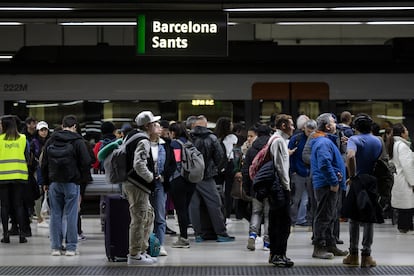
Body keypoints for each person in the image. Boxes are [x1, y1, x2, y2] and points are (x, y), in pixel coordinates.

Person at [41, 115, 92, 256]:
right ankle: (71, 247)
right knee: (71, 215)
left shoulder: (51, 140)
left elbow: (44, 163)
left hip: (54, 183)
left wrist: (45, 182)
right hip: (72, 183)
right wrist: (81, 180)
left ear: (62, 125)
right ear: (75, 126)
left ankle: (56, 247)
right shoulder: (78, 141)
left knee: (55, 214)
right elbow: (86, 162)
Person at [342, 113, 382, 268]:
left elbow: (351, 156)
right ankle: (367, 256)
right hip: (371, 181)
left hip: (358, 181)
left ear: (355, 127)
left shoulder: (354, 139)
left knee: (354, 218)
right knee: (369, 219)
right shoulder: (378, 141)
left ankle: (353, 255)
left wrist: (352, 176)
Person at [122, 111, 160, 265]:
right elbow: (138, 164)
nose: (156, 126)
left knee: (148, 215)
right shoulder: (143, 140)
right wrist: (151, 178)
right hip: (137, 184)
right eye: (154, 124)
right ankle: (135, 254)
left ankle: (142, 251)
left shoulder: (131, 135)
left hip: (133, 184)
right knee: (139, 218)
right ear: (147, 125)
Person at [189, 115, 235, 242]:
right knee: (215, 203)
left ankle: (198, 234)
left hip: (191, 176)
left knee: (194, 205)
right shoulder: (212, 138)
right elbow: (220, 157)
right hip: (206, 176)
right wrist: (215, 169)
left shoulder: (189, 138)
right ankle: (221, 233)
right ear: (205, 125)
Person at [310, 113, 348, 259]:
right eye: (333, 122)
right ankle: (319, 248)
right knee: (324, 217)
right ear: (327, 126)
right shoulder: (323, 142)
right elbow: (324, 164)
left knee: (330, 216)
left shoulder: (324, 141)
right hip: (327, 185)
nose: (335, 124)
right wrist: (333, 181)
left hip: (329, 183)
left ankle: (330, 245)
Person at [267, 114, 295, 267]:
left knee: (276, 221)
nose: (293, 127)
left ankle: (275, 254)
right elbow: (281, 167)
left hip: (275, 187)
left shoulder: (276, 139)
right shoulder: (279, 141)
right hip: (280, 188)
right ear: (283, 125)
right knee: (282, 223)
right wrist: (287, 187)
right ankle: (278, 254)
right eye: (291, 124)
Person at [0, 115, 30, 244]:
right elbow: (27, 157)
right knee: (19, 205)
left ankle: (6, 235)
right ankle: (22, 235)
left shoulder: (0, 139)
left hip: (3, 177)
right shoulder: (23, 139)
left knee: (4, 206)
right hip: (20, 176)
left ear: (5, 125)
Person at [242, 124, 271, 251]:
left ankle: (253, 235)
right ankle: (267, 242)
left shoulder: (252, 149)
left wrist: (247, 187)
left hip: (255, 185)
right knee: (268, 215)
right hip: (270, 186)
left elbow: (246, 170)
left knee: (256, 212)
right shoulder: (272, 147)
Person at [149, 121, 176, 256]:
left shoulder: (166, 145)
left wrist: (164, 175)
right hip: (145, 183)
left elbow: (172, 164)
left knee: (160, 216)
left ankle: (159, 244)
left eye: (160, 126)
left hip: (160, 183)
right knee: (144, 216)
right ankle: (145, 244)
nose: (160, 129)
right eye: (156, 126)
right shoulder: (143, 143)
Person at [169, 122, 196, 248]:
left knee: (180, 210)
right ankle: (184, 236)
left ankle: (184, 238)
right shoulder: (190, 143)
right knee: (184, 208)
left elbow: (177, 162)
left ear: (173, 132)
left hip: (178, 179)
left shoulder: (175, 144)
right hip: (191, 179)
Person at [288, 118, 316, 228]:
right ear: (304, 128)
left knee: (309, 199)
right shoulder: (296, 139)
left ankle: (305, 219)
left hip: (310, 173)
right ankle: (292, 220)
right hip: (298, 172)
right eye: (308, 131)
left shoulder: (316, 139)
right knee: (296, 198)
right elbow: (290, 156)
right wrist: (293, 171)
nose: (310, 133)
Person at [387, 123, 414, 233]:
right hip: (405, 179)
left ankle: (405, 225)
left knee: (404, 205)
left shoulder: (395, 144)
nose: (407, 132)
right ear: (402, 133)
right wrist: (413, 182)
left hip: (399, 178)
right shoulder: (402, 146)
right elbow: (407, 166)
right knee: (406, 205)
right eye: (406, 130)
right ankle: (404, 226)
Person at [214, 117, 238, 220]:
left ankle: (219, 211)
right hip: (230, 165)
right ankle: (227, 212)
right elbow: (233, 151)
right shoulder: (233, 137)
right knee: (229, 191)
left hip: (218, 165)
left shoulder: (215, 138)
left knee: (218, 189)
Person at [29, 120, 51, 228]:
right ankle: (39, 217)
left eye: (45, 130)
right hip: (37, 170)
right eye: (41, 130)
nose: (43, 132)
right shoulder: (34, 142)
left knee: (47, 192)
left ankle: (44, 215)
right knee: (38, 193)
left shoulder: (51, 141)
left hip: (48, 170)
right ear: (38, 131)